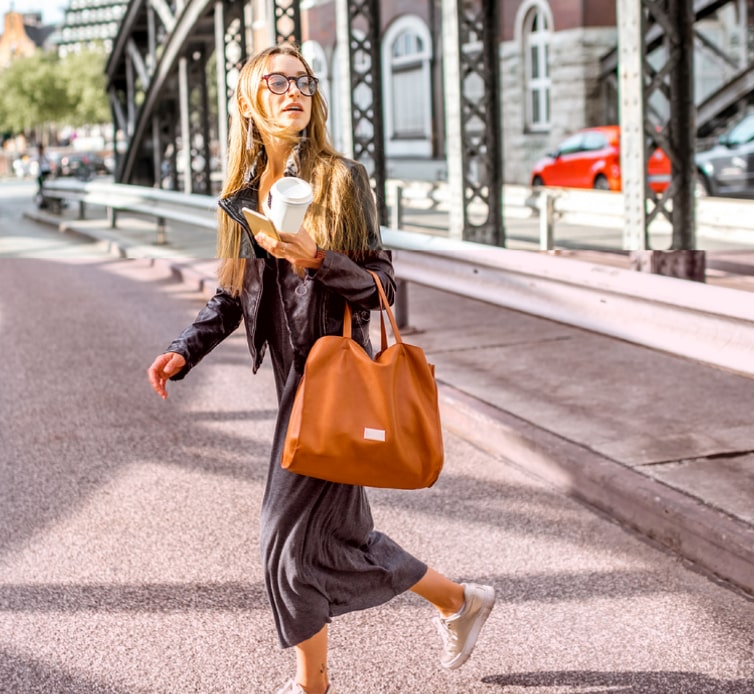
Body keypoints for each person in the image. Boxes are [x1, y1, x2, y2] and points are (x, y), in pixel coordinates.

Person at [146, 44, 495, 694]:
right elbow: (232, 295)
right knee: (332, 540)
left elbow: (382, 286)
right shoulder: (244, 199)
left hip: (336, 384)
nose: (293, 92)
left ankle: (314, 684)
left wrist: (318, 260)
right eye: (276, 82)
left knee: (283, 540)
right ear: (249, 101)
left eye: (302, 82)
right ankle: (457, 601)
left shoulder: (341, 180)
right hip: (295, 390)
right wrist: (185, 348)